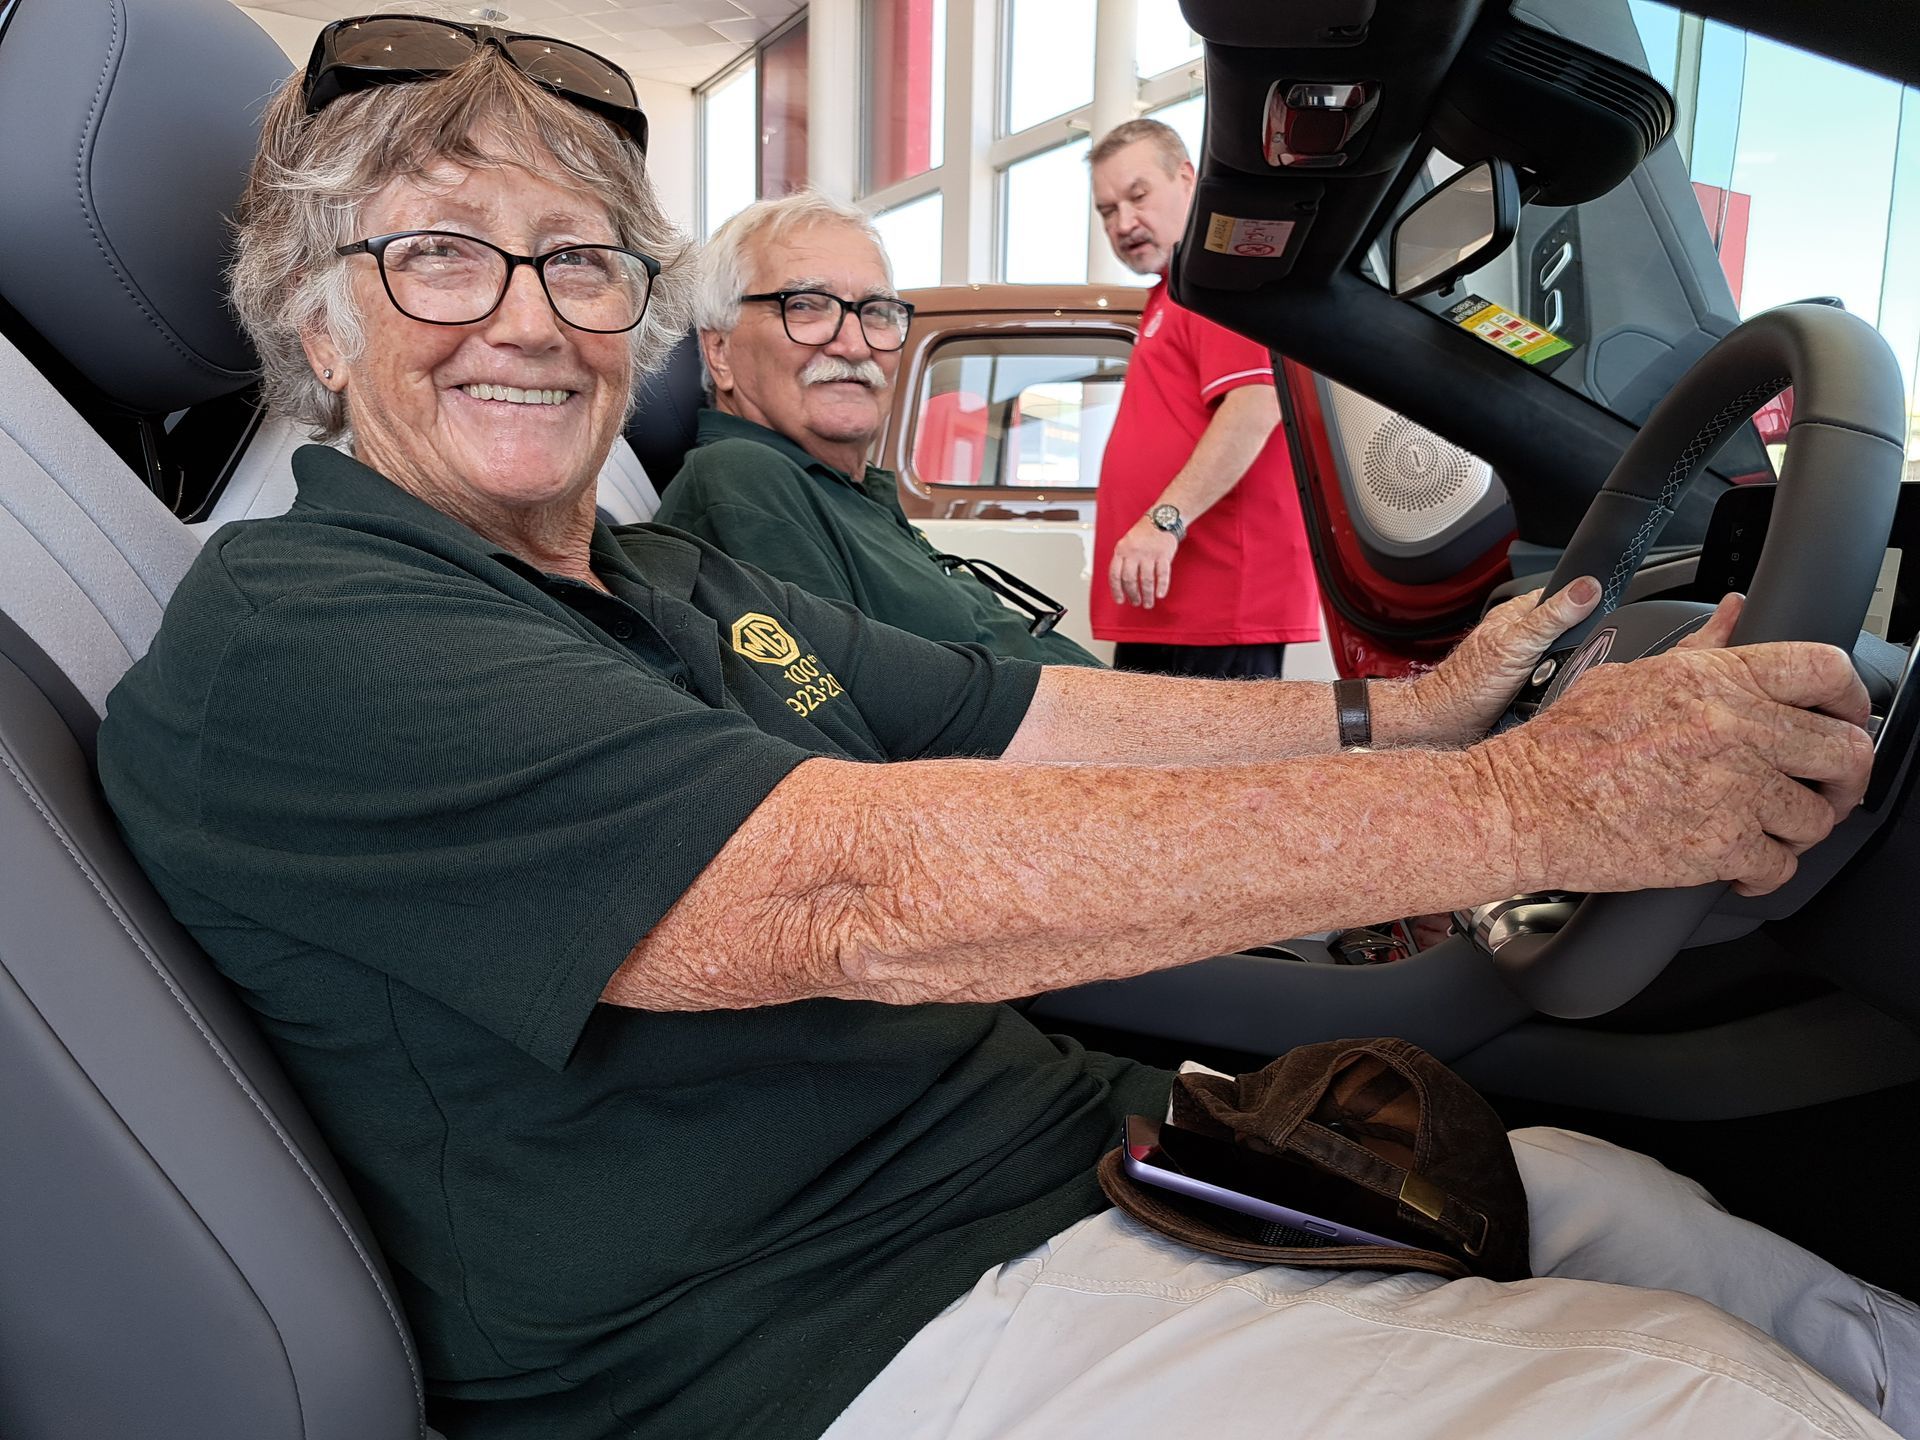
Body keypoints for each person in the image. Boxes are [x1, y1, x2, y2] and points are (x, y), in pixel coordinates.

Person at [95, 19, 1915, 1440]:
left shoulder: (654, 577)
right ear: (318, 329)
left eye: (581, 262)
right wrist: (1535, 803)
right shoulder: (306, 634)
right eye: (438, 257)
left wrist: (1427, 716)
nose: (529, 319)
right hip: (843, 1334)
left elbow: (1025, 713)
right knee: (1715, 1405)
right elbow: (847, 893)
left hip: (1081, 1171)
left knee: (1661, 1233)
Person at [653, 191, 1104, 665]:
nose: (854, 346)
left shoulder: (846, 492)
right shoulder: (743, 479)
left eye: (875, 311)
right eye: (804, 305)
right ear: (720, 351)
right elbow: (850, 701)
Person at [1088, 118, 1320, 679]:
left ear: (1187, 179)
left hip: (1216, 602)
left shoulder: (1218, 281)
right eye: (1107, 210)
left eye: (1138, 196)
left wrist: (1162, 522)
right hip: (1175, 603)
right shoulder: (1173, 292)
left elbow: (1255, 403)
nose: (1124, 223)